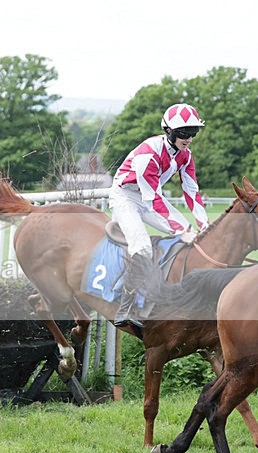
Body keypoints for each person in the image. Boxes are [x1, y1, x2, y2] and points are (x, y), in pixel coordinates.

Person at [108, 103, 209, 329]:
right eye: (184, 133)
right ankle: (125, 307)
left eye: (193, 132)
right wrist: (182, 229)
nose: (189, 138)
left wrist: (205, 225)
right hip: (126, 197)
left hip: (149, 196)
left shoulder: (185, 155)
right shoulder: (148, 153)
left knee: (189, 235)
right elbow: (152, 199)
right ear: (168, 131)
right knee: (142, 246)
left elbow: (192, 191)